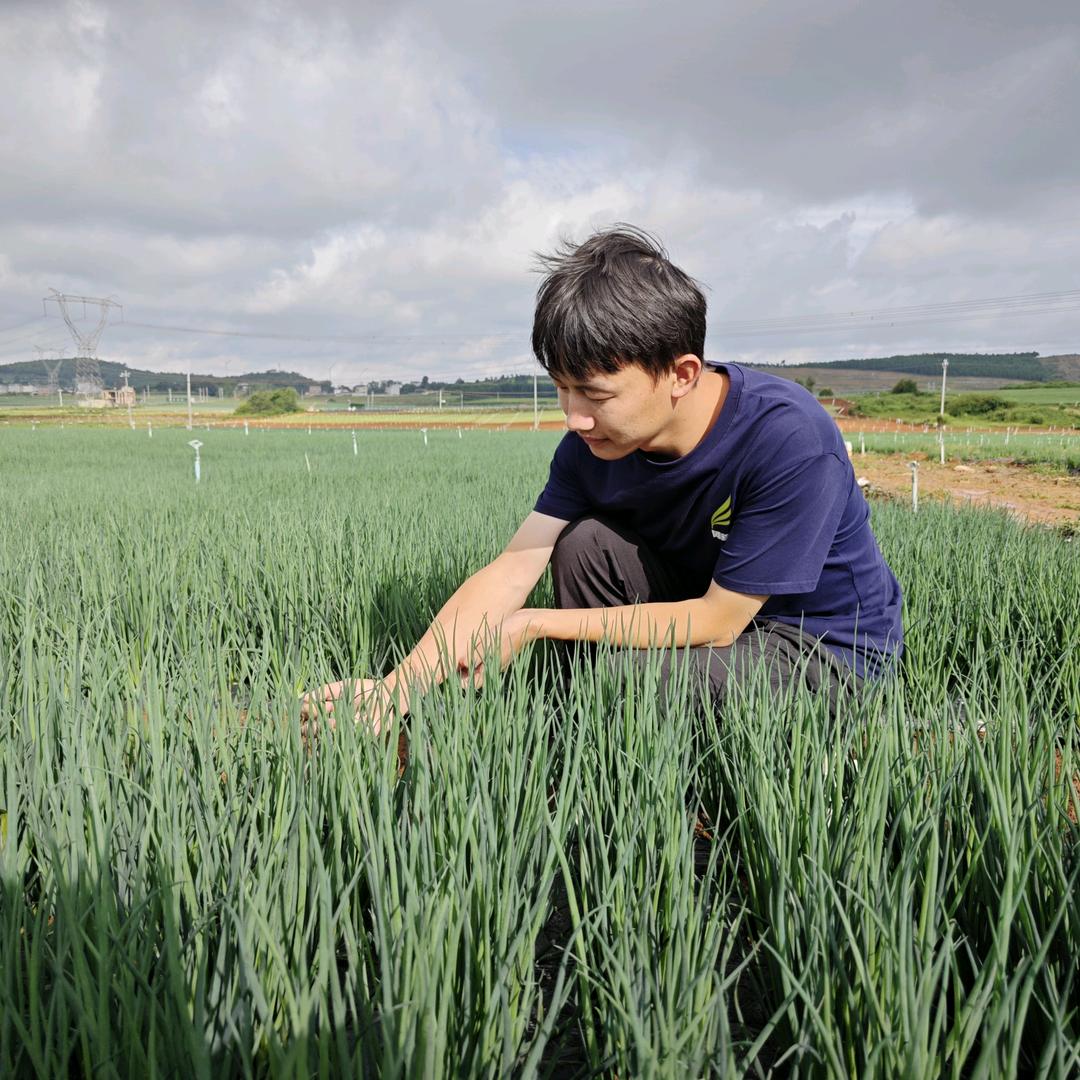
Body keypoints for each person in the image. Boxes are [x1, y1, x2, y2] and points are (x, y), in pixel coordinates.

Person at [302, 225, 902, 733]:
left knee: (618, 682)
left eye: (594, 393)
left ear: (681, 374)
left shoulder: (788, 438)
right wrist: (398, 687)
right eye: (562, 389)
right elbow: (513, 569)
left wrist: (535, 624)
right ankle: (615, 726)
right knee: (585, 543)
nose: (574, 417)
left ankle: (634, 743)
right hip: (708, 617)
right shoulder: (591, 446)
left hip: (816, 650)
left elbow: (720, 622)